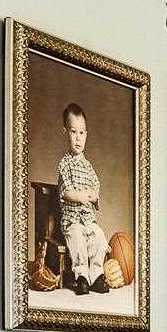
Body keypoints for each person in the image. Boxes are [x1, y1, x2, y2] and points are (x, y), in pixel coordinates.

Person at [54, 102, 110, 293]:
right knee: (76, 237)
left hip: (88, 220)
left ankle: (96, 275)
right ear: (65, 132)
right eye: (73, 132)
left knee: (99, 237)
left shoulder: (88, 166)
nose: (78, 139)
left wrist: (94, 196)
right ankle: (82, 276)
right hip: (72, 221)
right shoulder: (64, 164)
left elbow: (96, 186)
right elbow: (65, 192)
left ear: (86, 134)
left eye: (81, 133)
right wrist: (80, 196)